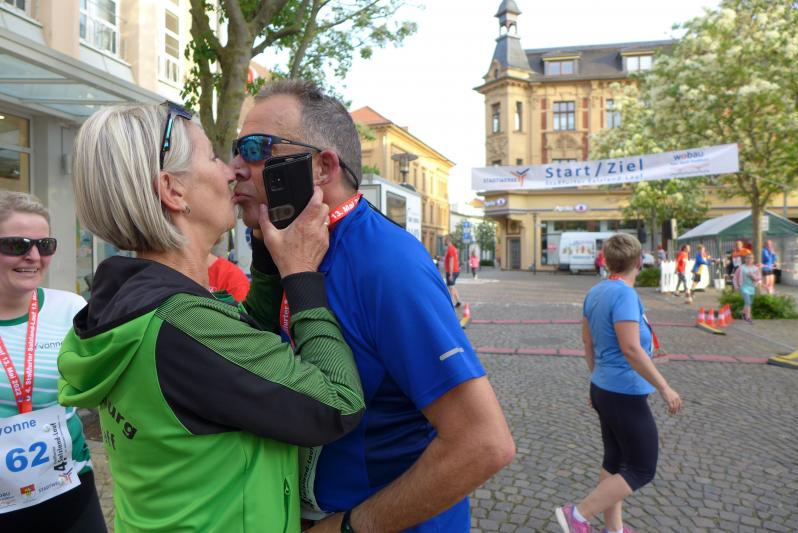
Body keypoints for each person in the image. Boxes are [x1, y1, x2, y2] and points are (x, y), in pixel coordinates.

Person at [59, 102, 365, 532]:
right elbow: (338, 403)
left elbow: (239, 356)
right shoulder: (182, 325)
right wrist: (301, 276)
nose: (231, 172)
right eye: (213, 157)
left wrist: (266, 252)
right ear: (173, 190)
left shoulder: (131, 306)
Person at [231, 79, 515, 532]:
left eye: (255, 149)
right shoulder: (291, 251)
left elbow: (483, 443)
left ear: (322, 167)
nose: (235, 168)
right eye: (235, 150)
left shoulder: (386, 263)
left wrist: (348, 527)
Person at [557, 233, 682, 533]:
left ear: (607, 261)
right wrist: (664, 387)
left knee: (614, 461)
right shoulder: (624, 295)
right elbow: (631, 349)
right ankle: (578, 515)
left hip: (604, 387)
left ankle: (614, 529)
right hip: (624, 391)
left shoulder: (595, 292)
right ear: (639, 261)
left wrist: (596, 379)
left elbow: (587, 342)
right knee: (642, 467)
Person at [0, 191, 106, 531]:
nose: (33, 256)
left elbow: (101, 381)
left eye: (44, 245)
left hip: (68, 485)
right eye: (16, 245)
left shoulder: (70, 308)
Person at [733, 251, 761, 323]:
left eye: (751, 258)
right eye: (747, 258)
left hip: (752, 287)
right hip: (743, 287)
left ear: (753, 260)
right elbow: (735, 277)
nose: (749, 259)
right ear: (745, 259)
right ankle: (748, 317)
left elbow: (758, 278)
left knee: (749, 303)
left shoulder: (755, 268)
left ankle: (743, 313)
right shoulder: (741, 268)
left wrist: (752, 276)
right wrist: (736, 286)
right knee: (748, 302)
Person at [444, 235, 462, 307]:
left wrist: (451, 274)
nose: (444, 241)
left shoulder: (451, 249)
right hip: (454, 271)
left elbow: (451, 261)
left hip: (452, 271)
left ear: (448, 240)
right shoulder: (452, 249)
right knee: (452, 286)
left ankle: (450, 304)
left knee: (451, 287)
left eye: (445, 240)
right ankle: (458, 301)